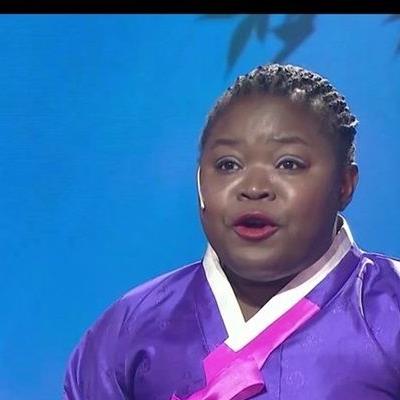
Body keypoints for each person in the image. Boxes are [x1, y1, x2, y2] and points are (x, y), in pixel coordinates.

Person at [64, 64, 400, 400]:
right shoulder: (130, 327)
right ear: (199, 180)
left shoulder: (391, 307)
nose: (253, 188)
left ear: (344, 184)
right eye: (228, 165)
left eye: (288, 164)